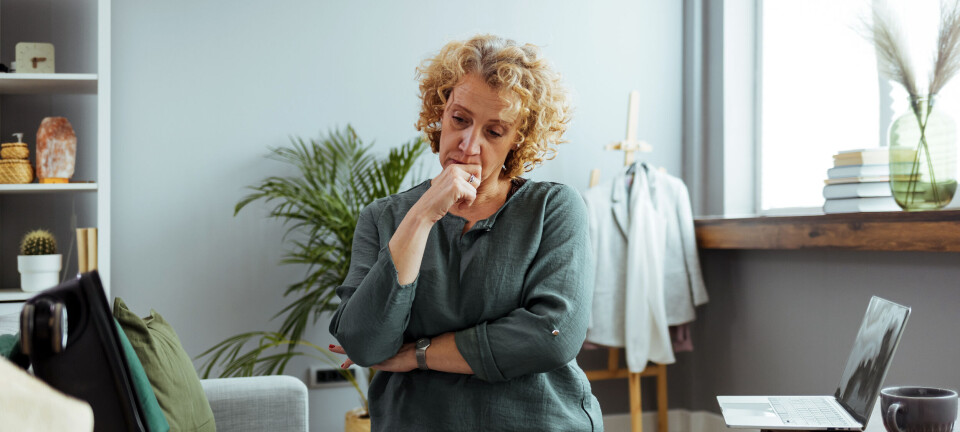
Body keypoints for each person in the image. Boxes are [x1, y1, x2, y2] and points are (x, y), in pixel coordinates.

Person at [329, 34, 602, 431]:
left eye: (495, 132)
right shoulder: (383, 218)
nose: (468, 144)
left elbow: (553, 334)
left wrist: (418, 354)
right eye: (459, 120)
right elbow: (365, 344)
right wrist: (422, 215)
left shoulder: (553, 209)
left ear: (517, 141)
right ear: (440, 113)